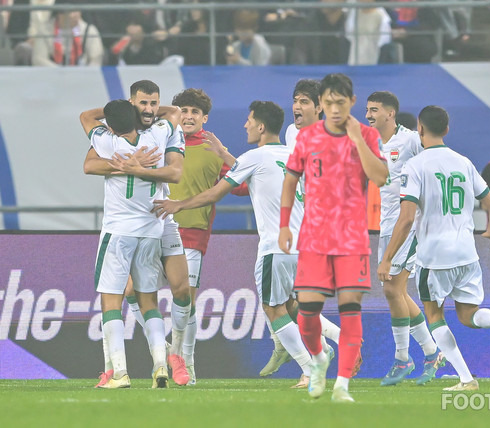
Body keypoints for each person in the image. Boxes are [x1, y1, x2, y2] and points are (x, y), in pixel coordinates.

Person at [152, 101, 321, 388]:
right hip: (306, 247)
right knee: (294, 307)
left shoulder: (255, 157)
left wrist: (179, 204)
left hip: (275, 247)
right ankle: (320, 357)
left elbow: (215, 193)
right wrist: (223, 153)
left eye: (249, 120)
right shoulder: (297, 155)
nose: (245, 125)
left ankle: (311, 368)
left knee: (273, 309)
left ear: (261, 126)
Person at [377, 105, 490, 392]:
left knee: (435, 317)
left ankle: (465, 379)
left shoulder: (416, 166)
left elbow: (407, 217)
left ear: (420, 130)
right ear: (447, 130)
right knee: (468, 315)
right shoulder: (463, 162)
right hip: (466, 254)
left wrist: (387, 259)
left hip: (434, 256)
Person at [279, 73, 388, 403]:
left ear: (351, 102)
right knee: (307, 312)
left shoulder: (367, 134)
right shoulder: (307, 137)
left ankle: (342, 384)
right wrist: (284, 225)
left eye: (341, 102)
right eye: (329, 102)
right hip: (313, 236)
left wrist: (357, 140)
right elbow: (290, 180)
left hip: (352, 238)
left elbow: (380, 177)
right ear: (322, 104)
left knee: (350, 309)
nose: (335, 108)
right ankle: (319, 358)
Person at [84, 80, 191, 388]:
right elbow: (171, 114)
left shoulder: (108, 142)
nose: (148, 109)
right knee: (149, 302)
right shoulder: (159, 135)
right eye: (142, 105)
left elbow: (85, 119)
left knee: (111, 302)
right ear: (134, 109)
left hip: (118, 231)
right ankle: (160, 366)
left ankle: (118, 373)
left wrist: (124, 164)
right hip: (151, 232)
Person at [258, 79, 342, 379]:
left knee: (282, 303)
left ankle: (310, 356)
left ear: (320, 107)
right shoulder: (292, 133)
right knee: (289, 303)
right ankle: (315, 347)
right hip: (294, 227)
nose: (297, 106)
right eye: (296, 100)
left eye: (305, 101)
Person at [167, 87, 249, 385]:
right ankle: (166, 351)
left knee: (185, 300)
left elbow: (243, 185)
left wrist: (226, 153)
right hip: (152, 232)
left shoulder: (213, 147)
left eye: (194, 112)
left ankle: (185, 362)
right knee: (133, 293)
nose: (188, 116)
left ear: (204, 118)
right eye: (183, 111)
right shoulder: (161, 141)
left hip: (192, 234)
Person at [365, 91, 445, 386]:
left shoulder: (411, 139)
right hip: (386, 225)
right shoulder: (370, 143)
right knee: (395, 292)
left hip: (409, 224)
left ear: (390, 113)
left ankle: (402, 358)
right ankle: (431, 352)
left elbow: (434, 168)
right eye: (367, 109)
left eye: (374, 110)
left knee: (391, 291)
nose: (369, 115)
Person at [32, 0, 104, 66]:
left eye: (77, 10)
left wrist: (84, 74)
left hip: (83, 76)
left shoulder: (88, 30)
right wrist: (62, 74)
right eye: (72, 11)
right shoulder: (45, 31)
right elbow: (39, 59)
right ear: (60, 14)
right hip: (52, 76)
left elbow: (96, 58)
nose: (76, 15)